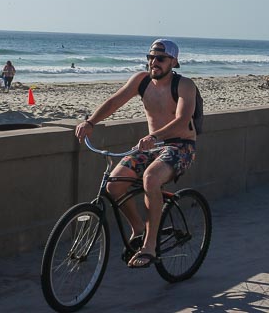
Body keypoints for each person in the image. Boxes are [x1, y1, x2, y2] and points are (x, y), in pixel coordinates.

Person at [75, 39, 198, 269]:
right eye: (150, 57)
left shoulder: (185, 85)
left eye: (160, 58)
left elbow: (182, 120)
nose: (154, 62)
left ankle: (150, 246)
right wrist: (91, 122)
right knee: (113, 185)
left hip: (181, 147)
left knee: (151, 178)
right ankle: (138, 228)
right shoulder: (141, 81)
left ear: (174, 61)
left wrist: (155, 136)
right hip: (152, 147)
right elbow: (114, 102)